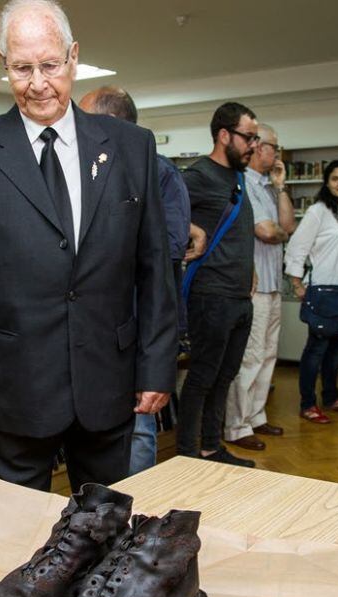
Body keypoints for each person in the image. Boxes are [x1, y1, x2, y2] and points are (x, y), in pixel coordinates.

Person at [0, 0, 177, 492]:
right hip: (11, 389)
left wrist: (156, 366)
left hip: (109, 381)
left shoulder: (131, 147)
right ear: (4, 65)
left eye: (49, 64)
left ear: (73, 58)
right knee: (20, 537)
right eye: (22, 68)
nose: (38, 82)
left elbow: (154, 269)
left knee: (103, 528)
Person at [77, 84, 205, 475]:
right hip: (91, 325)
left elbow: (164, 249)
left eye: (84, 118)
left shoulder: (160, 173)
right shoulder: (85, 170)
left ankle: (134, 513)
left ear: (109, 121)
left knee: (137, 426)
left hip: (135, 325)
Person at [177, 102, 258, 467]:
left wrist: (249, 268)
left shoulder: (238, 178)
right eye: (248, 137)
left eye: (255, 138)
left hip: (240, 296)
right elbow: (161, 213)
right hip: (211, 295)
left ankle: (211, 447)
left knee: (225, 376)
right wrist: (189, 234)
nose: (253, 145)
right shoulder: (197, 176)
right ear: (224, 135)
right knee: (202, 377)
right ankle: (187, 455)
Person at [224, 123, 295, 451]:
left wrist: (281, 188)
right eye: (273, 147)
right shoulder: (243, 184)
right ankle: (237, 426)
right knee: (249, 358)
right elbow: (266, 233)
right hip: (251, 287)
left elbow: (287, 227)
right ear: (256, 147)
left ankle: (256, 415)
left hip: (273, 283)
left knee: (268, 355)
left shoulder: (269, 186)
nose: (276, 153)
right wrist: (276, 231)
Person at [285, 160, 338, 423]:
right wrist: (297, 284)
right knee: (316, 350)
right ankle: (308, 404)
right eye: (335, 178)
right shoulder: (318, 212)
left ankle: (331, 398)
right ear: (327, 182)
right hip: (323, 289)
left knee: (336, 351)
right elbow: (296, 247)